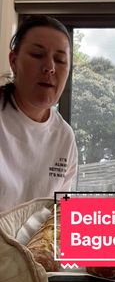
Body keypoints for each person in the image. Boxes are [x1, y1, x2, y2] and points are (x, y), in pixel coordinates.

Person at [0, 15, 78, 213]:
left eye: (60, 60)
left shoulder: (64, 138)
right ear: (14, 61)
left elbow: (55, 218)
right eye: (37, 55)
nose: (50, 68)